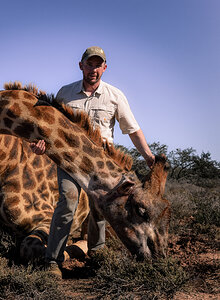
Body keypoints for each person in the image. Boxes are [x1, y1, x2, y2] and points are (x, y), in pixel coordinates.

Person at [30, 46, 155, 278]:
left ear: (104, 68)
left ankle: (97, 253)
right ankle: (53, 261)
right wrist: (40, 144)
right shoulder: (64, 94)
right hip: (69, 162)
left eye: (98, 65)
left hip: (101, 165)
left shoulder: (115, 96)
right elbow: (47, 127)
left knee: (100, 208)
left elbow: (133, 130)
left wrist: (148, 155)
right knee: (67, 202)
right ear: (81, 66)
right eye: (89, 64)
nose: (93, 69)